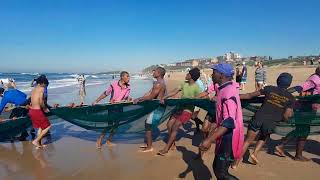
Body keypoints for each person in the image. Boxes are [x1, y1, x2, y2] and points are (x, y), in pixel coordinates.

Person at [233, 73, 295, 168]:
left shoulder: (269, 88)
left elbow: (249, 95)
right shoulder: (291, 98)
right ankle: (255, 153)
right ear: (289, 84)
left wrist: (234, 96)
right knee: (264, 136)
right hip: (271, 122)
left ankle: (235, 164)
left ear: (278, 81)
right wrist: (284, 120)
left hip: (259, 117)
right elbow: (287, 115)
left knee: (247, 141)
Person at [199, 63, 243, 180]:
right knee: (218, 168)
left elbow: (229, 122)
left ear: (221, 75)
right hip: (224, 135)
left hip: (229, 138)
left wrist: (209, 139)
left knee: (221, 172)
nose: (212, 75)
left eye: (214, 72)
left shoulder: (228, 92)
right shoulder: (224, 88)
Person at [275, 67, 320, 161]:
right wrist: (282, 93)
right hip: (304, 109)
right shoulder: (315, 79)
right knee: (303, 130)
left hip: (309, 108)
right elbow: (299, 87)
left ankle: (288, 149)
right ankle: (286, 148)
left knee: (302, 130)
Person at [158, 68, 201, 156]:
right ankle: (172, 143)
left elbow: (200, 99)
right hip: (179, 108)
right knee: (169, 125)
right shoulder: (184, 83)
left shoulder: (196, 87)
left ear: (191, 76)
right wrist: (165, 97)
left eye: (188, 74)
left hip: (188, 110)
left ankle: (166, 148)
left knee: (176, 126)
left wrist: (196, 109)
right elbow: (174, 91)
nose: (186, 75)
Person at [92, 71, 131, 148]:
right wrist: (96, 101)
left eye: (129, 76)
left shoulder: (128, 87)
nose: (129, 78)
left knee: (116, 125)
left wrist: (129, 99)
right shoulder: (113, 85)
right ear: (122, 77)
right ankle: (99, 140)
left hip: (120, 107)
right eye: (127, 76)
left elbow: (125, 98)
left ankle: (109, 141)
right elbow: (106, 93)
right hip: (112, 108)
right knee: (109, 125)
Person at [134, 67, 167, 152]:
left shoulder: (159, 84)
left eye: (155, 71)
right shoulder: (158, 82)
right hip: (156, 107)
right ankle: (148, 143)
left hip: (158, 108)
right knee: (148, 124)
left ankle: (149, 147)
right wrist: (141, 97)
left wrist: (139, 99)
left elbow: (151, 97)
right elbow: (149, 93)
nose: (153, 72)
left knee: (148, 124)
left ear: (159, 73)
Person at [28, 76, 51, 149]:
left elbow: (32, 101)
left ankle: (39, 144)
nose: (46, 86)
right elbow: (41, 101)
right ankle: (36, 141)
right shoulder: (42, 89)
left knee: (41, 128)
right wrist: (45, 108)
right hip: (37, 111)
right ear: (43, 83)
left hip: (32, 111)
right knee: (48, 126)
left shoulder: (34, 89)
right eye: (46, 85)